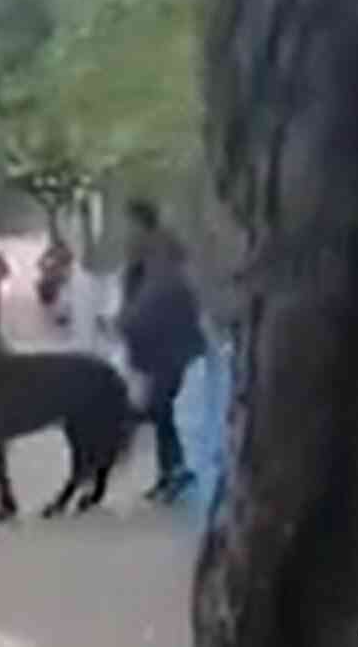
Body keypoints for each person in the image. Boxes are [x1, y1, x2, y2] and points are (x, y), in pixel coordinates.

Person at [114, 199, 206, 504]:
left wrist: (124, 321)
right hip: (161, 347)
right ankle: (171, 471)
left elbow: (153, 300)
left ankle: (175, 470)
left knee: (158, 407)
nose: (126, 234)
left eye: (130, 226)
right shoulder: (152, 257)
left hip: (168, 347)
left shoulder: (160, 259)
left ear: (141, 225)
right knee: (160, 409)